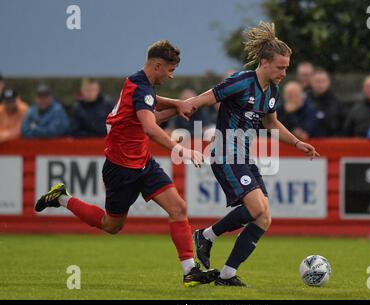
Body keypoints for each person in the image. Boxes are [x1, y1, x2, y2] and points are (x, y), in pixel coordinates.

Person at [34, 40, 219, 287]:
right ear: (157, 65)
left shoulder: (141, 84)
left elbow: (153, 112)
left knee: (178, 208)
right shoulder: (141, 88)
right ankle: (61, 198)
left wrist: (177, 106)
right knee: (111, 225)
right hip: (121, 168)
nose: (172, 76)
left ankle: (190, 271)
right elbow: (151, 127)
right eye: (170, 70)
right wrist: (181, 149)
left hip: (143, 163)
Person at [187, 22, 319, 286]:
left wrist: (296, 142)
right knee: (256, 207)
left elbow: (270, 124)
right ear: (264, 62)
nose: (284, 72)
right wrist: (178, 108)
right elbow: (203, 99)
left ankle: (227, 275)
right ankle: (206, 236)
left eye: (286, 67)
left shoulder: (272, 91)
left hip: (245, 157)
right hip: (225, 154)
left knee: (263, 217)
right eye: (280, 67)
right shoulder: (240, 81)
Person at [310, 68, 345, 137]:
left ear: (328, 82)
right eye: (317, 81)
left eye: (323, 81)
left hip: (331, 142)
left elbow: (343, 125)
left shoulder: (337, 102)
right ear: (311, 82)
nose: (320, 84)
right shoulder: (304, 100)